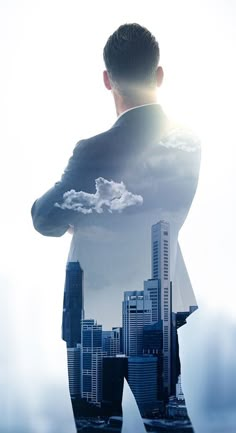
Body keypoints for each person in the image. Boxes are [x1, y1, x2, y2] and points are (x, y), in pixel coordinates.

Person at [31, 23, 201, 433]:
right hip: (155, 315)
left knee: (97, 428)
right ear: (159, 76)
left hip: (94, 318)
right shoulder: (188, 143)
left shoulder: (93, 152)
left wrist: (85, 215)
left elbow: (44, 218)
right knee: (169, 427)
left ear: (107, 80)